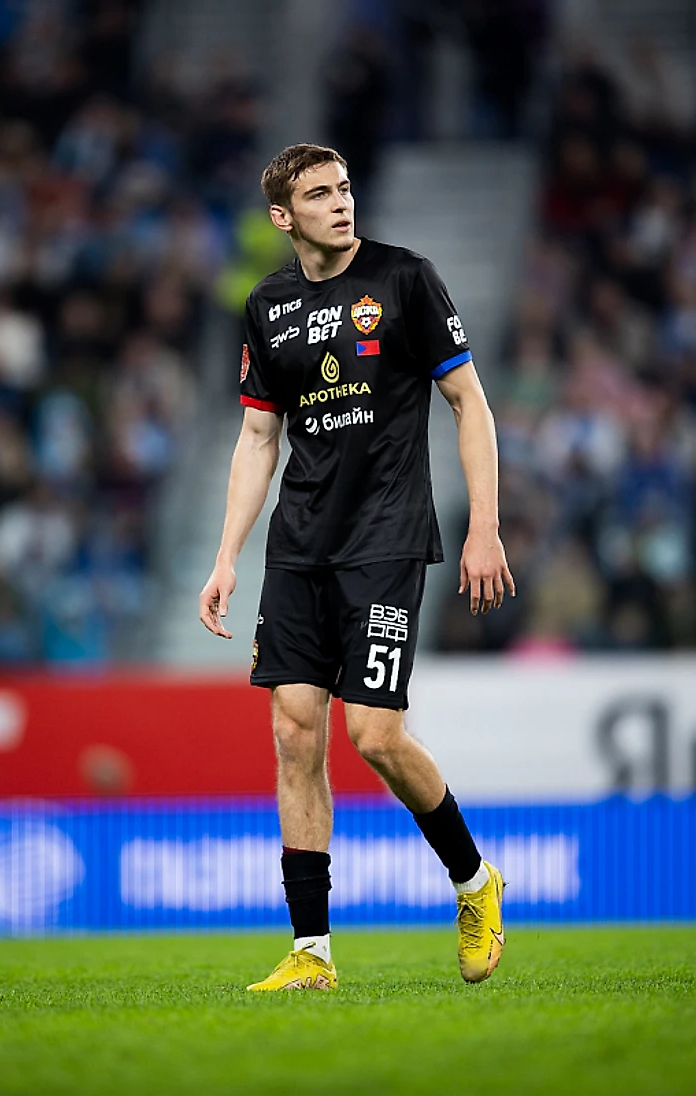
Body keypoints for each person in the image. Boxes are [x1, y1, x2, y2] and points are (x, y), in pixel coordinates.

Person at [199, 144, 515, 991]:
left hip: (386, 535)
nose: (341, 203)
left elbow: (469, 402)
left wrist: (484, 527)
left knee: (373, 734)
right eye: (319, 194)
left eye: (343, 188)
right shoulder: (267, 306)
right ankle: (312, 952)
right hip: (299, 546)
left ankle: (474, 881)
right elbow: (258, 437)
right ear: (283, 216)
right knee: (294, 732)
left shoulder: (405, 279)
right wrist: (225, 557)